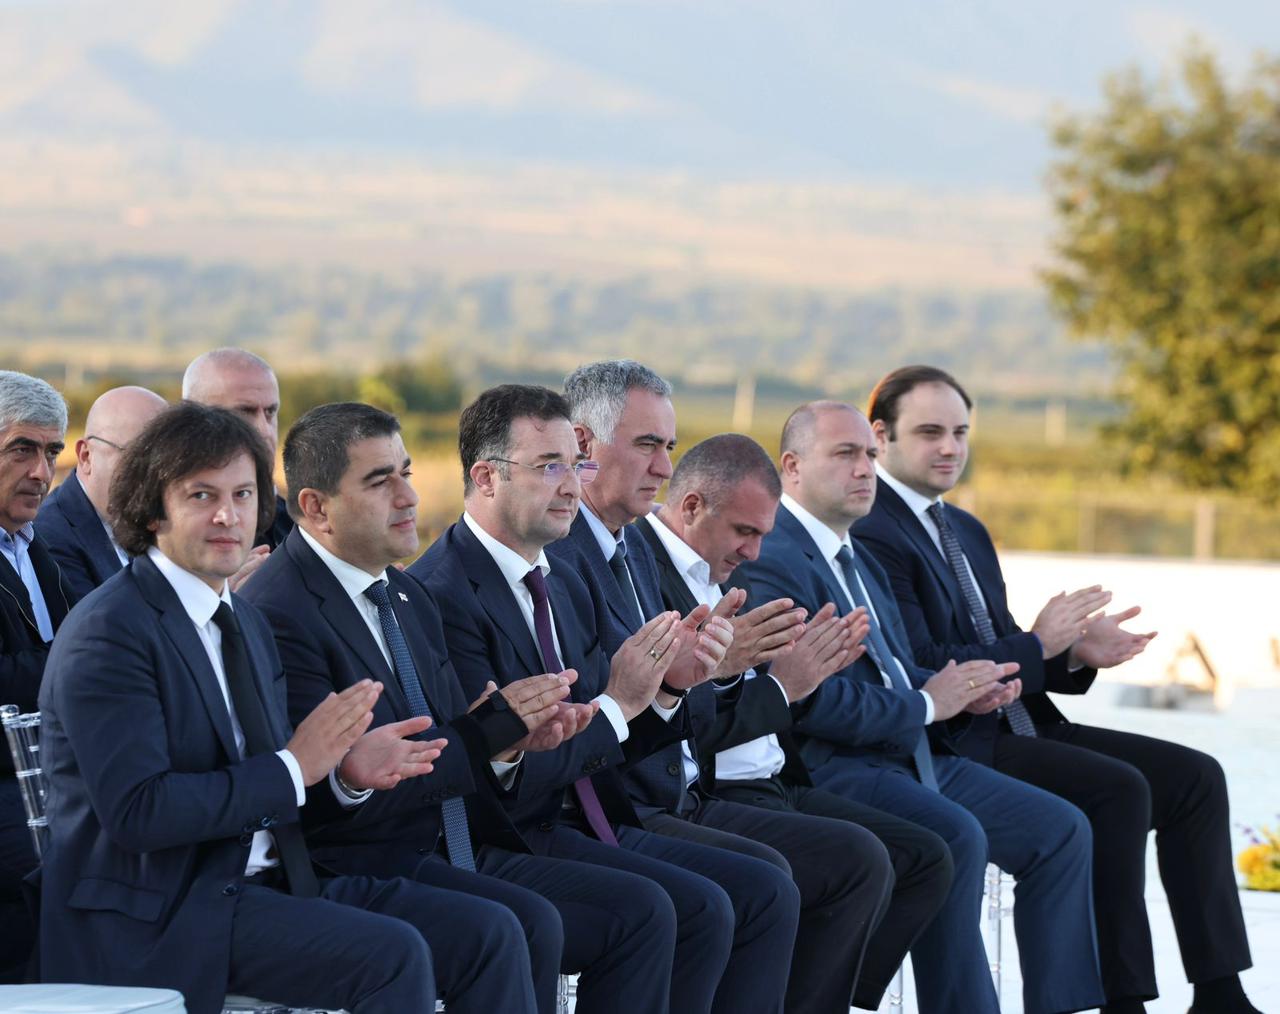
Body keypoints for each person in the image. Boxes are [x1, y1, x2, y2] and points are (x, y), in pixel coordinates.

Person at [38, 401, 538, 1014]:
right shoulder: (110, 631)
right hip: (162, 914)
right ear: (150, 509)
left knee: (489, 934)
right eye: (201, 496)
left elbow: (287, 784)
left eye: (244, 494)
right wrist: (295, 767)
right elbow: (139, 814)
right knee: (392, 956)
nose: (228, 515)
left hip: (273, 883)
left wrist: (347, 775)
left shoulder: (242, 621)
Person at [244, 401, 677, 1014]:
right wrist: (487, 734)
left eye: (406, 473)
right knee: (508, 928)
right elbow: (327, 797)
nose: (409, 497)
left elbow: (462, 732)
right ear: (315, 507)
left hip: (443, 841)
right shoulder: (280, 611)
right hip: (350, 861)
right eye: (380, 481)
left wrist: (513, 741)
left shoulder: (403, 593)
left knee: (603, 913)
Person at [856, 364, 1259, 1014]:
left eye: (960, 432)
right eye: (930, 432)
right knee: (1117, 790)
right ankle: (1122, 1000)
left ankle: (1220, 994)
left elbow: (1006, 641)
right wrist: (1038, 645)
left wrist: (1071, 653)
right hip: (959, 740)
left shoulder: (964, 528)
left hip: (1025, 723)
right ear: (882, 436)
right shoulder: (873, 530)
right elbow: (922, 661)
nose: (951, 447)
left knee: (1196, 778)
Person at [553, 360, 952, 1013]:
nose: (662, 466)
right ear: (584, 446)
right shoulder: (591, 554)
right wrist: (757, 682)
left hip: (689, 786)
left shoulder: (627, 551)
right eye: (648, 444)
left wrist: (732, 675)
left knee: (897, 854)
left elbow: (669, 698)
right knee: (791, 878)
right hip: (638, 800)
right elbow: (621, 709)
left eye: (669, 447)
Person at [411, 384, 801, 1014]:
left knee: (747, 891)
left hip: (585, 812)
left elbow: (607, 723)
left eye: (576, 465)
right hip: (505, 834)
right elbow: (494, 776)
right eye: (550, 467)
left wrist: (671, 684)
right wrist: (620, 703)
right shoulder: (441, 590)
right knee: (663, 909)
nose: (572, 486)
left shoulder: (559, 577)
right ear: (485, 477)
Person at [740, 398, 1105, 1014]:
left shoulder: (853, 554)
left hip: (907, 753)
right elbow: (811, 701)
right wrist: (928, 706)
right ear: (792, 467)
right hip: (833, 766)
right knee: (956, 837)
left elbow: (900, 670)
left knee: (1061, 829)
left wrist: (964, 689)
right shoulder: (774, 560)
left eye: (870, 454)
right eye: (845, 454)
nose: (865, 469)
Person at [0, 370, 72, 981]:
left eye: (51, 452)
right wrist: (89, 655)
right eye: (21, 448)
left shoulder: (30, 544)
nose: (41, 471)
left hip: (50, 774)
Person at [37, 386, 167, 600]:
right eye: (137, 457)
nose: (154, 473)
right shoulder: (50, 540)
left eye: (165, 460)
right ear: (86, 456)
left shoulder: (153, 523)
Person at [183, 348, 293, 587]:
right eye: (244, 412)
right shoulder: (162, 530)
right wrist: (218, 597)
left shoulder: (297, 524)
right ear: (191, 416)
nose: (264, 430)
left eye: (270, 412)